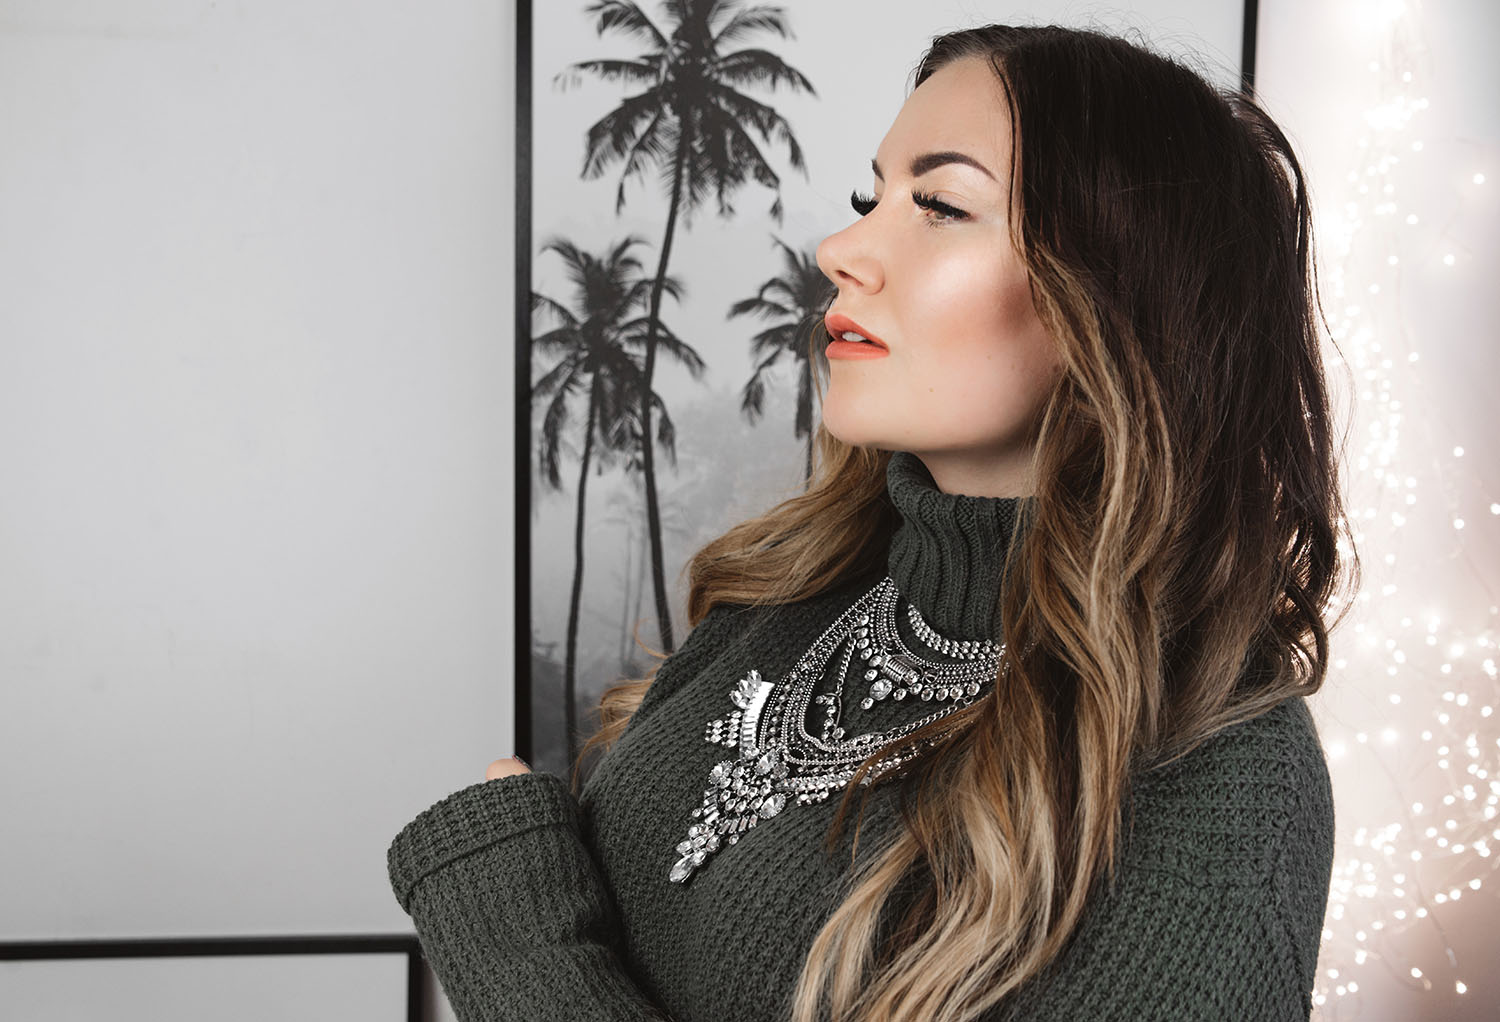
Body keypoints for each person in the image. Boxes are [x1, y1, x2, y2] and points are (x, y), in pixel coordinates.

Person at [386, 22, 1360, 1022]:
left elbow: (545, 941)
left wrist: (516, 937)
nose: (842, 248)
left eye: (939, 204)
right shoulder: (791, 591)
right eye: (871, 197)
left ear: (1119, 296)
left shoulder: (1222, 782)